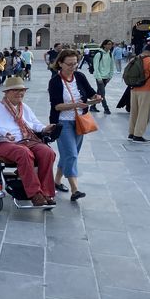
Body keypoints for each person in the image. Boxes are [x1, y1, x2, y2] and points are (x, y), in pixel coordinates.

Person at [0, 77, 58, 206]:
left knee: (47, 152)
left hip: (25, 140)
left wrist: (44, 128)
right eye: (15, 90)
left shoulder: (23, 107)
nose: (20, 93)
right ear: (6, 92)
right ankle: (35, 193)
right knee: (23, 152)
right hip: (1, 143)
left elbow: (33, 123)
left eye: (22, 90)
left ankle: (46, 192)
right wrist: (4, 132)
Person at [48, 49, 101, 201]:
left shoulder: (79, 76)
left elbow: (90, 92)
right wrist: (74, 105)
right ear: (60, 64)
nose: (73, 67)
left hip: (80, 120)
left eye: (75, 63)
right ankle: (75, 189)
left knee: (69, 154)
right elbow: (57, 106)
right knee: (71, 154)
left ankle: (56, 181)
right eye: (69, 64)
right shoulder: (55, 82)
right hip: (62, 122)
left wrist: (96, 97)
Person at [128, 44, 150, 142]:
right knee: (144, 113)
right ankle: (138, 135)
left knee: (134, 112)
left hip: (134, 89)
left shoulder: (135, 59)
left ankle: (131, 133)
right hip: (147, 90)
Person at [91, 40, 114, 114]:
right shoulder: (99, 54)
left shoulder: (110, 54)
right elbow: (96, 67)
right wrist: (99, 78)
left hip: (106, 77)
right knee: (102, 94)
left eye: (111, 44)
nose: (110, 46)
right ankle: (106, 109)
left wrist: (110, 77)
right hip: (100, 77)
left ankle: (92, 106)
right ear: (104, 45)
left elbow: (112, 66)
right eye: (109, 44)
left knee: (99, 93)